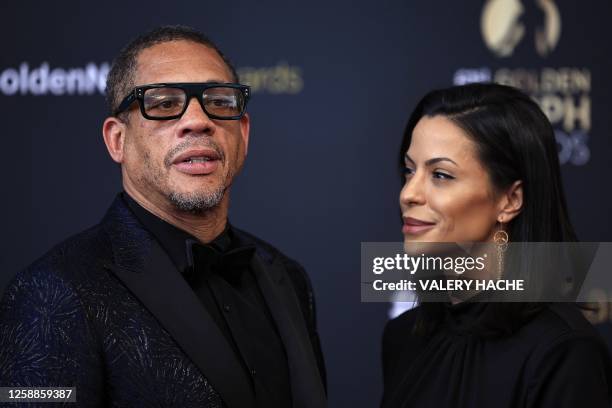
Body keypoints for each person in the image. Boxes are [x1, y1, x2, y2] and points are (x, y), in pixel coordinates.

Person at [0, 25, 326, 408]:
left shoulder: (288, 276)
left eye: (219, 101)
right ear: (117, 140)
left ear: (244, 133)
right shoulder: (52, 293)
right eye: (164, 103)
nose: (198, 120)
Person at [380, 83, 612, 407]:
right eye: (409, 170)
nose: (408, 194)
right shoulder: (404, 338)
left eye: (441, 175)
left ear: (510, 199)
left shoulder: (563, 351)